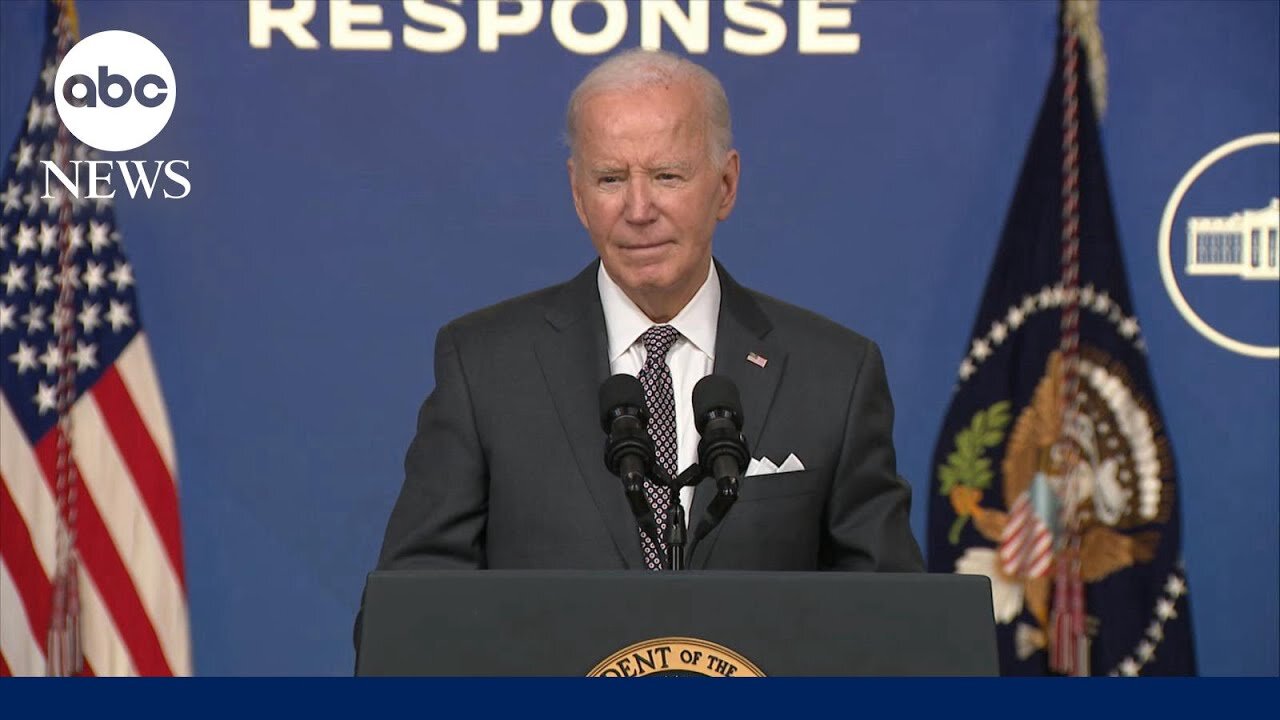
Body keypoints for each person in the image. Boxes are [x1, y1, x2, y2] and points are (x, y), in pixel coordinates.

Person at [369, 48, 923, 580]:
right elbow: (414, 609)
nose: (638, 210)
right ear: (578, 193)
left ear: (725, 185)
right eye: (611, 178)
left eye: (667, 176)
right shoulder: (485, 366)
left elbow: (895, 626)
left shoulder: (832, 373)